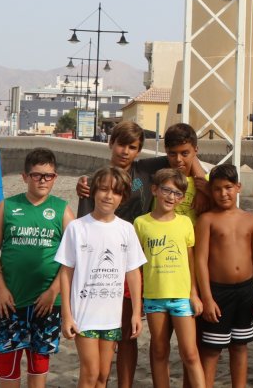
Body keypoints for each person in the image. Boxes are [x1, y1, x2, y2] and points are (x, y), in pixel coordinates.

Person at [75, 120, 207, 388]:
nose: (125, 151)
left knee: (129, 334)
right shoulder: (95, 181)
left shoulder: (146, 169)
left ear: (139, 150)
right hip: (106, 265)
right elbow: (84, 230)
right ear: (111, 143)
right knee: (110, 332)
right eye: (121, 145)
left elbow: (185, 156)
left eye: (133, 147)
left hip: (142, 263)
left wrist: (202, 184)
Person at [0, 148, 73, 388]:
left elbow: (72, 258)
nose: (42, 180)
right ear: (25, 177)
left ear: (55, 177)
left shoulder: (62, 210)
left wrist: (54, 291)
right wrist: (0, 289)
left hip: (47, 301)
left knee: (39, 360)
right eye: (36, 175)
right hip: (12, 299)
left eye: (48, 175)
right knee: (7, 359)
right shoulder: (8, 207)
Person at [55, 167, 147, 388]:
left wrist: (136, 312)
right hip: (84, 315)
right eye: (104, 189)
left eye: (116, 192)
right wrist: (66, 314)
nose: (108, 196)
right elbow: (66, 272)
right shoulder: (77, 228)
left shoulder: (126, 229)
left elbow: (133, 273)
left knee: (103, 375)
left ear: (123, 197)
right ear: (94, 191)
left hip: (112, 317)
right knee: (90, 373)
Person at [195, 163, 253, 388]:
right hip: (218, 292)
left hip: (245, 290)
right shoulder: (207, 220)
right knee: (211, 350)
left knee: (240, 346)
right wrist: (207, 298)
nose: (223, 193)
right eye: (217, 189)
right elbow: (200, 260)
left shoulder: (251, 219)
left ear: (238, 187)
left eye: (228, 187)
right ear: (211, 190)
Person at [134, 169, 207, 388]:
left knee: (190, 353)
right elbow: (136, 265)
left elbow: (190, 260)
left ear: (182, 198)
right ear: (154, 190)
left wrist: (194, 293)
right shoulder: (140, 223)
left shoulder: (185, 223)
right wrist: (138, 301)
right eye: (166, 190)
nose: (171, 197)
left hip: (182, 298)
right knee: (159, 351)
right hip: (154, 297)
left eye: (177, 193)